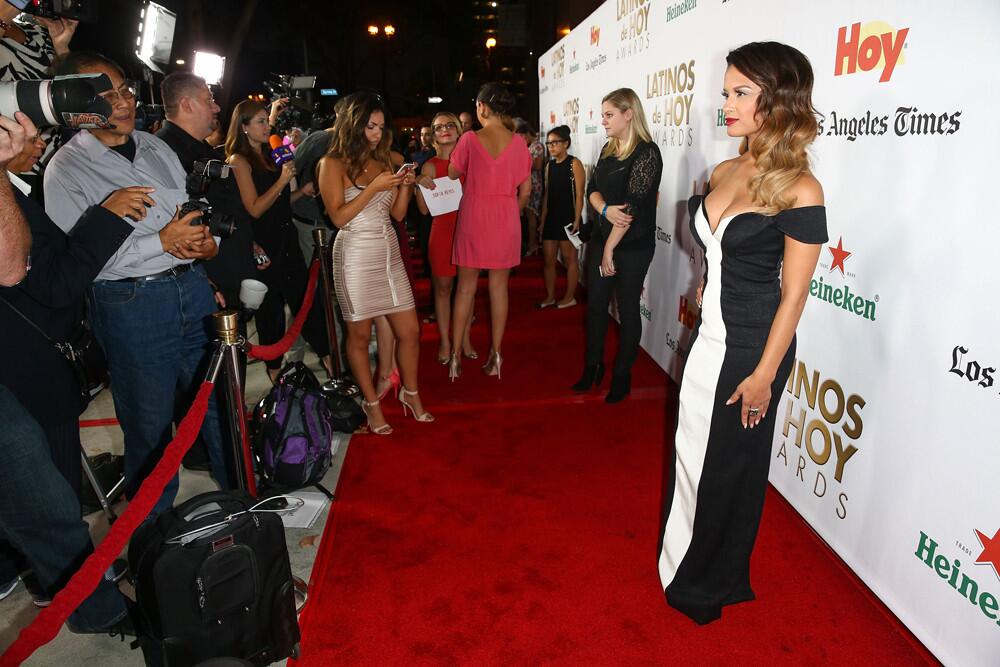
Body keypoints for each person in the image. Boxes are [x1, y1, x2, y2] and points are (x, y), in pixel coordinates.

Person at [658, 42, 827, 625]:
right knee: (691, 454)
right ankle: (681, 556)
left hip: (755, 348)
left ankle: (710, 581)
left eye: (739, 93)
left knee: (730, 467)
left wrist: (764, 375)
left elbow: (795, 293)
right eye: (725, 92)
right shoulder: (725, 170)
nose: (724, 103)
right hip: (710, 337)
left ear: (777, 102)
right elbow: (719, 245)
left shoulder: (801, 188)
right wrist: (707, 280)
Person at [44, 52, 231, 516]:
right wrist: (163, 243)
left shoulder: (156, 146)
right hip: (131, 304)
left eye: (124, 89)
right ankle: (155, 537)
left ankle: (244, 508)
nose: (123, 101)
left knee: (218, 409)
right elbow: (81, 261)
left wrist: (204, 247)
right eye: (105, 94)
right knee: (149, 429)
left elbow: (186, 214)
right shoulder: (65, 171)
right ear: (74, 104)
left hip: (192, 288)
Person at [317, 91, 433, 434]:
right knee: (357, 334)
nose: (377, 134)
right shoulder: (331, 164)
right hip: (353, 253)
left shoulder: (388, 159)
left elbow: (396, 214)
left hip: (388, 251)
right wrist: (373, 188)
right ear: (353, 125)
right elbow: (338, 217)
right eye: (370, 126)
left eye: (381, 127)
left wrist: (406, 187)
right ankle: (370, 403)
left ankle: (410, 393)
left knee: (411, 331)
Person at [225, 100, 331, 383]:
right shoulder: (238, 160)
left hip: (287, 239)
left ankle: (333, 370)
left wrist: (300, 192)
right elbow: (256, 208)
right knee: (270, 314)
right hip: (263, 246)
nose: (267, 125)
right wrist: (283, 181)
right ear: (243, 127)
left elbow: (278, 203)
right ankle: (276, 380)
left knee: (307, 305)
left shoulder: (271, 155)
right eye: (260, 121)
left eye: (266, 120)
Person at [574, 88, 662, 403]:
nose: (604, 121)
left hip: (633, 245)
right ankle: (592, 367)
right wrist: (603, 210)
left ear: (629, 114)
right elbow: (593, 190)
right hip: (602, 239)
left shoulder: (647, 153)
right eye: (602, 115)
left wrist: (611, 246)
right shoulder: (608, 149)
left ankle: (622, 374)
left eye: (609, 115)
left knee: (627, 309)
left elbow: (632, 206)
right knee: (596, 305)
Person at [445, 83, 531, 381]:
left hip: (474, 215)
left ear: (481, 107)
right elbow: (526, 191)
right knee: (499, 289)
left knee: (465, 289)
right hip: (506, 217)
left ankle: (455, 357)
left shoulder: (469, 139)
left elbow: (453, 173)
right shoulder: (519, 143)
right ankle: (496, 355)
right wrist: (511, 211)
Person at [157, 72, 255, 314]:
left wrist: (250, 241)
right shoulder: (162, 154)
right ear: (187, 105)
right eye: (209, 99)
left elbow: (224, 206)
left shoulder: (202, 149)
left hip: (231, 267)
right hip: (209, 281)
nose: (217, 106)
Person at [414, 111, 477, 365]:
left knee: (467, 288)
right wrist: (420, 183)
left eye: (450, 125)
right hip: (441, 232)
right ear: (433, 136)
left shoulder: (472, 160)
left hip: (470, 229)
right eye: (439, 127)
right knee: (442, 289)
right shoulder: (429, 165)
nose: (445, 130)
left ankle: (464, 339)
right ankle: (445, 340)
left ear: (459, 131)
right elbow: (422, 210)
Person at [537, 125, 585, 309]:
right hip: (551, 219)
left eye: (555, 142)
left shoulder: (575, 164)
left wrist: (576, 219)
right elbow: (547, 195)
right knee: (548, 260)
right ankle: (550, 296)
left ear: (566, 143)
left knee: (569, 259)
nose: (551, 146)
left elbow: (579, 195)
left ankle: (569, 297)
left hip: (568, 218)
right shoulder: (549, 166)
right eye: (549, 143)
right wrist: (542, 221)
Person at [515, 118, 544, 256]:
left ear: (525, 135)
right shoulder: (530, 146)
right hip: (527, 183)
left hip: (534, 184)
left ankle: (533, 244)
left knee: (532, 216)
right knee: (529, 215)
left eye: (520, 137)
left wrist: (521, 163)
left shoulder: (537, 146)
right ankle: (531, 244)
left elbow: (538, 166)